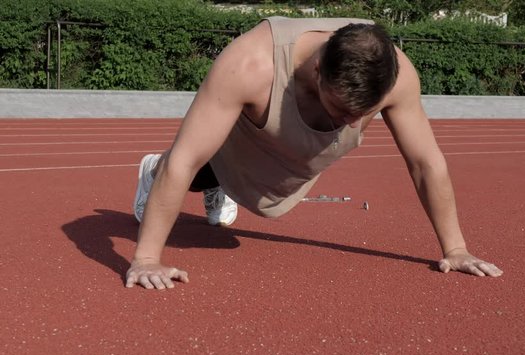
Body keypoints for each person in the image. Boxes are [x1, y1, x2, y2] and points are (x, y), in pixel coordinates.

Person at [126, 16, 503, 290]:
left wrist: (456, 249)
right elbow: (185, 158)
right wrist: (146, 259)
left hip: (294, 158)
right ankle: (153, 170)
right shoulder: (251, 65)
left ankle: (222, 180)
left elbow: (425, 161)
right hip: (243, 138)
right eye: (341, 110)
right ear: (319, 70)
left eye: (363, 115)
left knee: (267, 182)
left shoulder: (398, 74)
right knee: (199, 162)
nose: (351, 125)